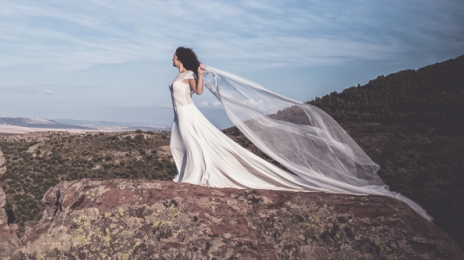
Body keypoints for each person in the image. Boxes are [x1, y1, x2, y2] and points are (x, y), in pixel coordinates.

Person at [169, 46, 432, 219]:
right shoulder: (180, 75)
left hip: (189, 114)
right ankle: (187, 172)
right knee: (183, 145)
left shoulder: (189, 74)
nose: (171, 58)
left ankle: (196, 175)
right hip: (179, 116)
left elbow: (200, 93)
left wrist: (201, 74)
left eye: (173, 55)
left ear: (180, 58)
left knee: (195, 144)